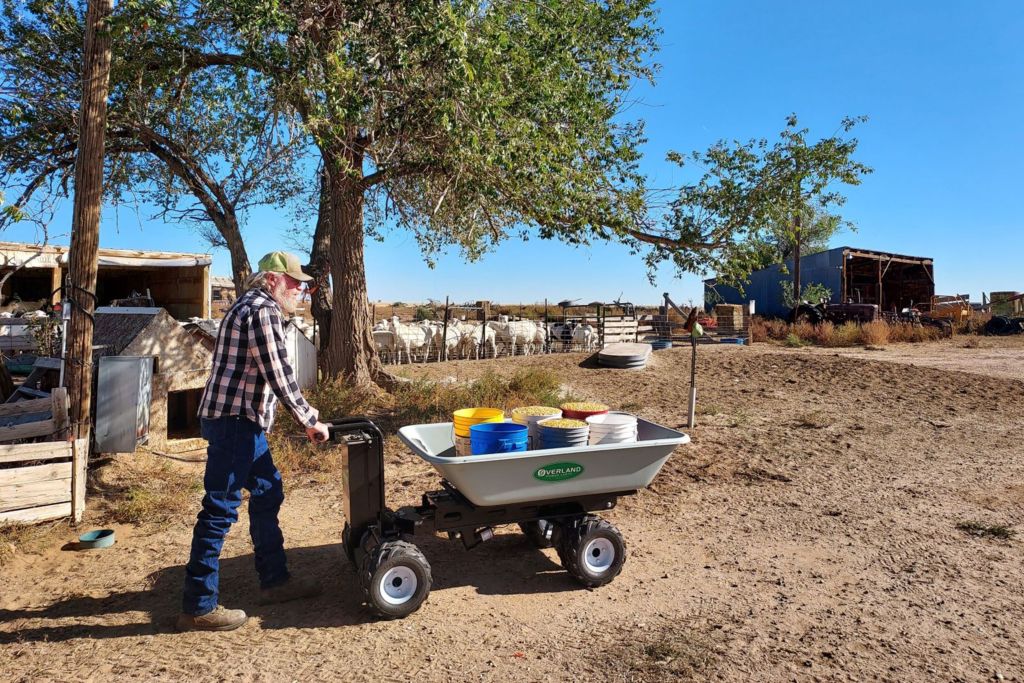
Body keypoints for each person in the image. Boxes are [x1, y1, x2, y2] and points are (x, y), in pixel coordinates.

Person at [177, 251, 331, 632]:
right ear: (272, 279)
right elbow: (279, 374)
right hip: (235, 424)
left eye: (304, 284)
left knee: (267, 491)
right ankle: (198, 606)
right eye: (295, 282)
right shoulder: (262, 311)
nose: (301, 289)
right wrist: (310, 419)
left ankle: (275, 581)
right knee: (220, 508)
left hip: (241, 421)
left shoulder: (249, 306)